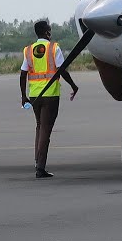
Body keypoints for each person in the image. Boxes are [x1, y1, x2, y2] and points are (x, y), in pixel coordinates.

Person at [19, 20, 79, 179]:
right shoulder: (53, 48)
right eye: (49, 30)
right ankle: (40, 167)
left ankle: (37, 161)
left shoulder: (29, 50)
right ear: (47, 32)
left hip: (34, 96)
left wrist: (23, 95)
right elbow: (62, 70)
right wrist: (73, 86)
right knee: (46, 129)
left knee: (39, 126)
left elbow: (23, 73)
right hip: (50, 95)